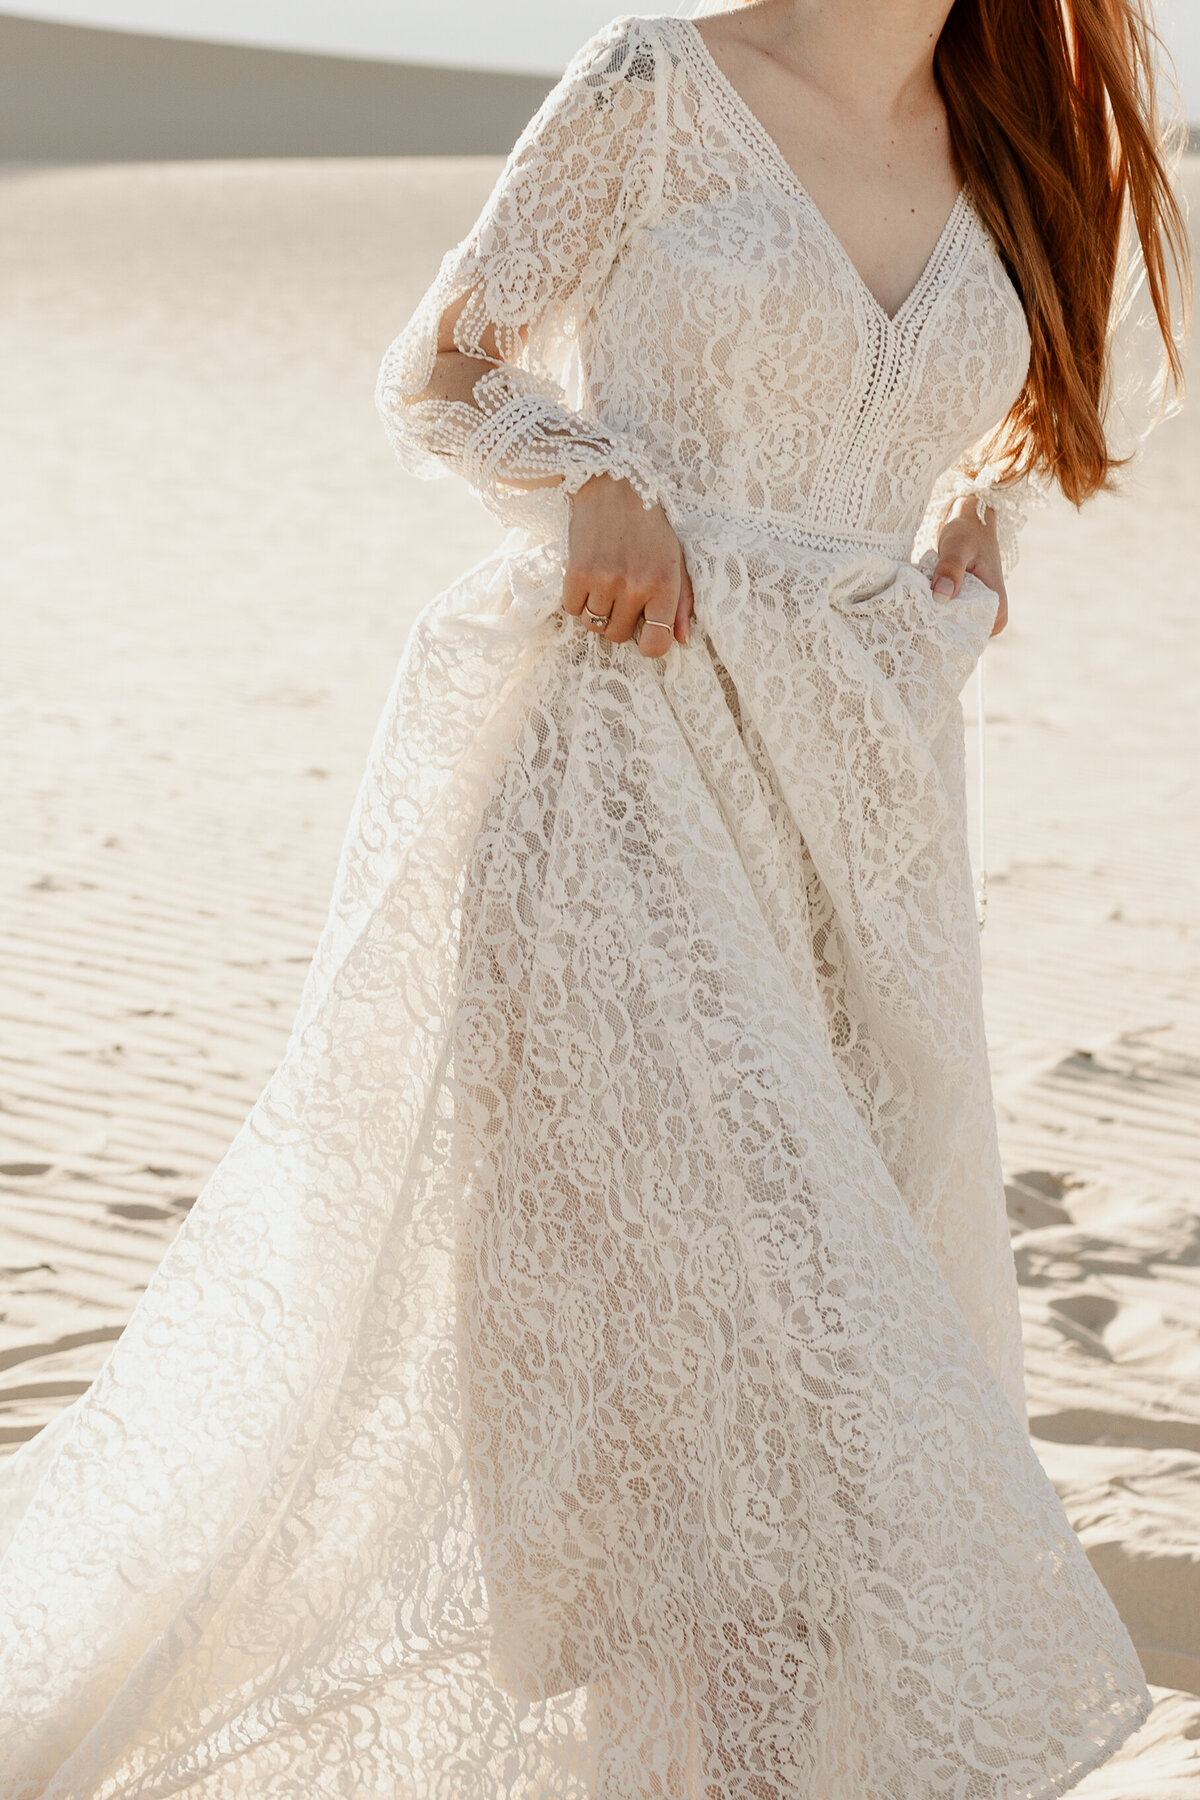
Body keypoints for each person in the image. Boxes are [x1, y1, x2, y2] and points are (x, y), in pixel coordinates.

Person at [0, 0, 1189, 1794]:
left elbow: (1041, 416)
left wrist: (969, 533)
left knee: (840, 1368)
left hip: (861, 820)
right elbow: (446, 363)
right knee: (679, 1348)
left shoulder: (1027, 142)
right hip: (614, 766)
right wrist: (597, 479)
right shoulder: (661, 84)